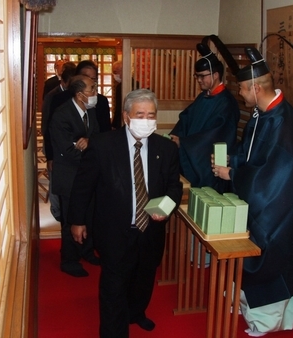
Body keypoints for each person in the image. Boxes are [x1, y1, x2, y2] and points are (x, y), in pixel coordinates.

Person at [211, 47, 293, 336]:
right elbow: (253, 157)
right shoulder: (260, 114)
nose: (240, 94)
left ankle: (267, 322)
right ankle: (249, 310)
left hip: (279, 208)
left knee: (269, 258)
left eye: (242, 88)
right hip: (261, 200)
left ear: (256, 87)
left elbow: (273, 177)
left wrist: (233, 174)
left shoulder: (283, 123)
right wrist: (235, 162)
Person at [67, 89, 182, 337]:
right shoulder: (102, 145)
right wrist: (77, 221)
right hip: (115, 229)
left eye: (151, 114)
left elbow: (174, 186)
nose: (146, 119)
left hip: (151, 227)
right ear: (127, 117)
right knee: (113, 286)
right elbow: (83, 186)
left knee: (144, 277)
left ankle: (136, 312)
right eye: (140, 114)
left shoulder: (166, 148)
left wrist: (166, 209)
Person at [169, 43, 240, 193]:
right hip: (193, 154)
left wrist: (184, 142)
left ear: (215, 75)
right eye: (197, 76)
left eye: (202, 76)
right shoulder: (203, 97)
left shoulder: (226, 103)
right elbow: (186, 118)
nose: (198, 80)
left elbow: (214, 135)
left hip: (209, 164)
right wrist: (175, 136)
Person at [49, 75, 100, 277]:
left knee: (88, 214)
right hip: (69, 176)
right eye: (92, 90)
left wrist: (88, 141)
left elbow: (97, 137)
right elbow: (67, 150)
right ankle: (69, 260)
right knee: (71, 219)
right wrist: (90, 152)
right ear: (80, 95)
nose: (95, 93)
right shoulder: (61, 115)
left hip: (86, 176)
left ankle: (87, 251)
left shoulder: (90, 111)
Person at [41, 62, 77, 222]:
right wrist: (50, 156)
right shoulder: (53, 96)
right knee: (56, 182)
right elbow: (46, 127)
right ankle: (58, 213)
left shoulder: (76, 95)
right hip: (55, 148)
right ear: (64, 81)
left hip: (72, 149)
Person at [76, 60, 112, 132]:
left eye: (93, 79)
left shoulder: (101, 101)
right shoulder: (63, 100)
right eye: (87, 78)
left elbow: (106, 130)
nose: (90, 81)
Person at [111, 60, 123, 129]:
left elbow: (119, 107)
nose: (114, 75)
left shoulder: (121, 87)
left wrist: (114, 124)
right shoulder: (119, 85)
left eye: (115, 72)